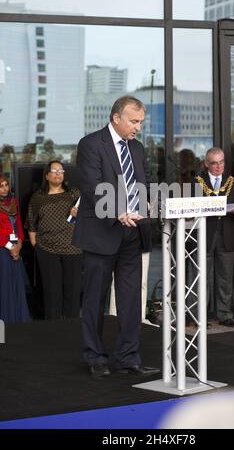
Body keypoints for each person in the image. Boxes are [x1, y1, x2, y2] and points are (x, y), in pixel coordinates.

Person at [73, 95, 159, 379]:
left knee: (131, 299)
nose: (138, 128)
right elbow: (91, 185)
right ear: (116, 118)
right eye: (134, 122)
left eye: (141, 123)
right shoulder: (91, 144)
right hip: (101, 233)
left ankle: (128, 358)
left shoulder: (138, 148)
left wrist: (150, 203)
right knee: (95, 299)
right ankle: (95, 357)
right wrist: (117, 210)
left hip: (132, 233)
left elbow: (144, 181)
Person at [27, 160, 82, 320]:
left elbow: (91, 219)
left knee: (72, 293)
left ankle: (71, 330)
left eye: (61, 171)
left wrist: (80, 215)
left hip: (73, 249)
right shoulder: (38, 198)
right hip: (47, 250)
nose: (58, 173)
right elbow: (31, 224)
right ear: (47, 175)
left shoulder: (74, 194)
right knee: (51, 294)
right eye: (54, 170)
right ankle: (52, 332)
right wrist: (36, 246)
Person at [195, 147, 234, 327]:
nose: (218, 166)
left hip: (226, 234)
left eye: (221, 162)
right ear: (207, 163)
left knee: (225, 278)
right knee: (202, 278)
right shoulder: (197, 182)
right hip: (205, 234)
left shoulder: (233, 182)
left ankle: (225, 314)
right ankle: (201, 316)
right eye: (214, 163)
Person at [0, 174, 30, 323]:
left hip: (15, 249)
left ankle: (18, 319)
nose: (5, 189)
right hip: (2, 250)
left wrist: (19, 244)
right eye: (1, 186)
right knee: (4, 285)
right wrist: (11, 247)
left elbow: (18, 224)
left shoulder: (14, 202)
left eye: (6, 185)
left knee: (16, 283)